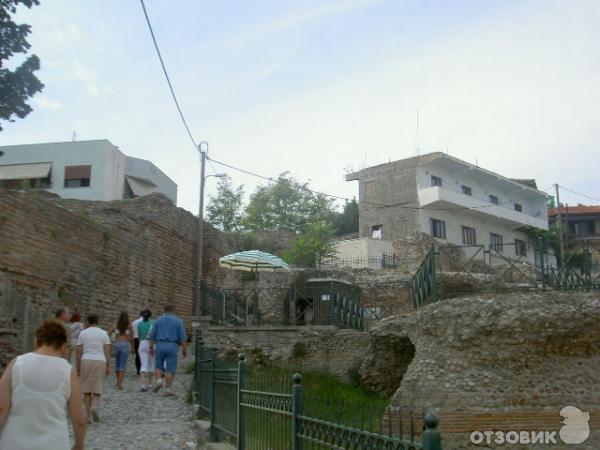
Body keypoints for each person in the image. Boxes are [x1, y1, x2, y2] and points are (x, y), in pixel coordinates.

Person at [0, 320, 86, 450]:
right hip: (54, 443)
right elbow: (79, 419)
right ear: (63, 346)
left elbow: (1, 407)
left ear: (37, 341)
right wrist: (78, 446)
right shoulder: (68, 371)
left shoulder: (16, 364)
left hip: (14, 442)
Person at [76, 313, 111, 424]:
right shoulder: (104, 333)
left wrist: (78, 366)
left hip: (86, 360)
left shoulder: (82, 333)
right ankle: (94, 406)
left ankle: (87, 417)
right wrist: (108, 365)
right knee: (97, 386)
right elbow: (107, 350)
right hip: (99, 360)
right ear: (97, 321)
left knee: (86, 389)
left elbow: (78, 351)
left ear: (87, 321)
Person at [149, 304, 187, 397]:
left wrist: (151, 346)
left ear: (164, 310)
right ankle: (168, 389)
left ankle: (159, 381)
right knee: (170, 368)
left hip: (160, 344)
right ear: (173, 310)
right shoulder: (178, 321)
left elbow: (152, 335)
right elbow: (182, 338)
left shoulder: (157, 321)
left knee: (158, 365)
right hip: (172, 345)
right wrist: (184, 349)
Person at [112, 311, 133, 390]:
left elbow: (109, 332)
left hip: (116, 344)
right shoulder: (128, 326)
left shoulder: (115, 324)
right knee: (122, 365)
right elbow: (131, 337)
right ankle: (119, 384)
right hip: (124, 345)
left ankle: (118, 382)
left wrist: (115, 335)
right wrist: (133, 346)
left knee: (117, 364)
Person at [137, 309, 154, 392]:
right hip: (150, 344)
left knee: (143, 365)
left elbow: (139, 336)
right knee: (150, 364)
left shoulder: (139, 324)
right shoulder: (152, 324)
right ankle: (150, 383)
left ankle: (142, 384)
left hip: (142, 343)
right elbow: (153, 335)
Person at [131, 311, 144, 377]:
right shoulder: (146, 322)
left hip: (135, 339)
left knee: (137, 355)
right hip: (143, 339)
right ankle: (143, 370)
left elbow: (132, 332)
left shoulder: (135, 322)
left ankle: (138, 370)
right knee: (144, 354)